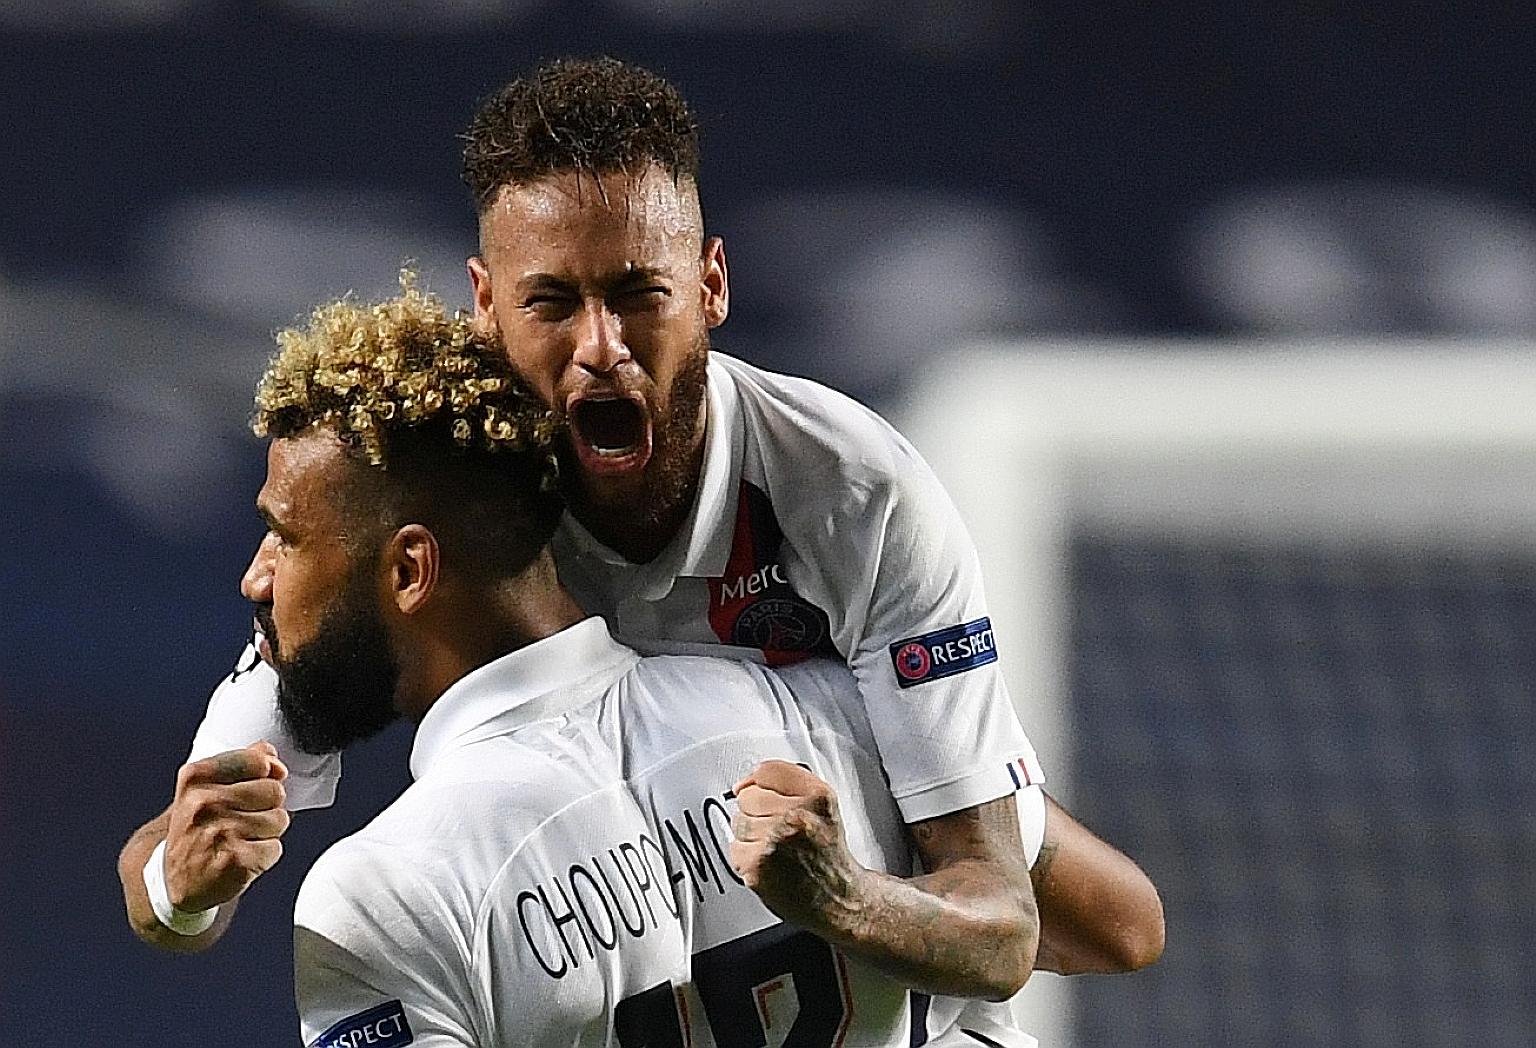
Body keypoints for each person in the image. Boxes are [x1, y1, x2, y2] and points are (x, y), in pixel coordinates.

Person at [118, 56, 1161, 981]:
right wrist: (183, 884)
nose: (601, 345)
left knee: (1118, 922)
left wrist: (839, 891)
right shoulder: (451, 472)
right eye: (553, 302)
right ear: (484, 305)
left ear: (710, 285)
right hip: (604, 838)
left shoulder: (852, 490)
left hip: (822, 781)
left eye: (638, 293)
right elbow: (169, 877)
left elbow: (1000, 928)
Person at [234, 290, 1040, 1046]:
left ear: (412, 571)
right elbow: (1111, 924)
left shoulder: (377, 901)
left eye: (284, 538)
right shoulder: (836, 714)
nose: (256, 577)